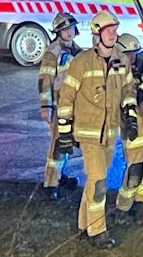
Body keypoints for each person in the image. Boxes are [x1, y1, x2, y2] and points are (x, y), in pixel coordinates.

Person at [56, 10, 135, 250]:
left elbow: (129, 89)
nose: (113, 34)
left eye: (114, 30)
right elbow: (66, 96)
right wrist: (64, 131)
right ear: (96, 34)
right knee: (100, 181)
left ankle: (83, 223)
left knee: (94, 179)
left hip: (110, 133)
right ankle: (97, 230)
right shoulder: (81, 62)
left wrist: (130, 116)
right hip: (89, 134)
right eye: (108, 30)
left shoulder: (122, 59)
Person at [112, 35, 143, 227]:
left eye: (134, 53)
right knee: (134, 172)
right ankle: (122, 208)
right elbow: (134, 93)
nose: (132, 57)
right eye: (128, 53)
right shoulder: (117, 73)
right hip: (133, 131)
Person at [39, 11, 82, 200]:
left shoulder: (77, 50)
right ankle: (50, 184)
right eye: (64, 30)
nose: (68, 32)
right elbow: (45, 81)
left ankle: (60, 176)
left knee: (66, 143)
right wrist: (46, 107)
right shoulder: (52, 53)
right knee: (57, 144)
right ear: (58, 32)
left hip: (74, 105)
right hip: (58, 106)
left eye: (70, 28)